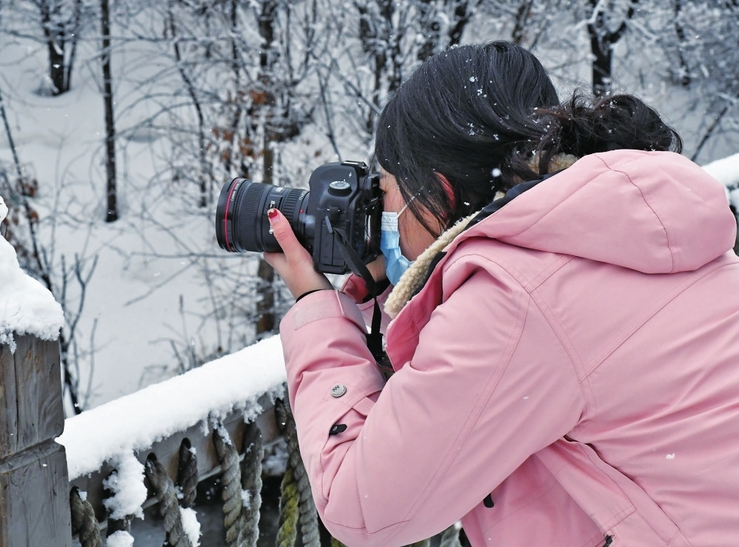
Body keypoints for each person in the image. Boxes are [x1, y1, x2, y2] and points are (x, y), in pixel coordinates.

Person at [263, 40, 739, 547]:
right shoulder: (626, 224)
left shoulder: (517, 300)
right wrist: (387, 287)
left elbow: (361, 507)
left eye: (388, 186)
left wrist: (316, 309)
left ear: (438, 194)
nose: (381, 207)